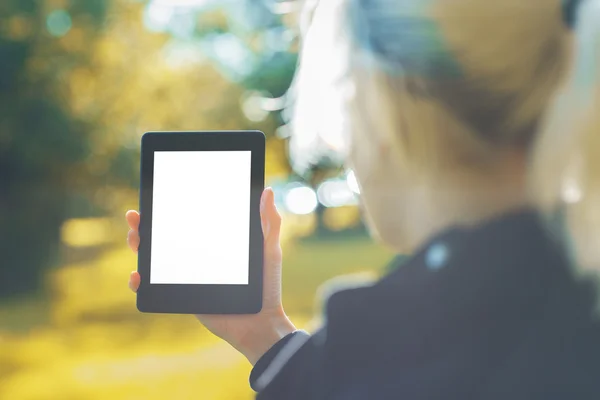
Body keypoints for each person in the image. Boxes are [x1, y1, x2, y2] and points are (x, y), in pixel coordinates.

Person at [125, 0, 600, 398]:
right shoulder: (567, 308)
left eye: (344, 96)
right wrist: (263, 332)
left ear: (378, 104)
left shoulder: (386, 355)